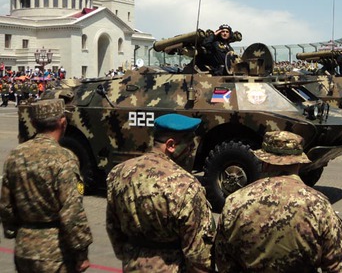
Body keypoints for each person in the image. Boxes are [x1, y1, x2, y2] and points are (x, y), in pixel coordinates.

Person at [215, 130, 342, 273]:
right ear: (299, 163)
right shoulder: (318, 205)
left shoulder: (235, 202)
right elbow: (339, 266)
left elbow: (223, 260)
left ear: (264, 162)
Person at [106, 113, 215, 273]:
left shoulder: (118, 174)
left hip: (132, 265)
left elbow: (113, 228)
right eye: (190, 145)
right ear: (171, 145)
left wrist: (132, 256)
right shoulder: (186, 185)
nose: (192, 151)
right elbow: (198, 254)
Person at [0, 99, 93, 272]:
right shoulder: (64, 158)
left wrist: (13, 231)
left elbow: (6, 205)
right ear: (63, 122)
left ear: (34, 123)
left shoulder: (15, 155)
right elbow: (72, 212)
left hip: (24, 247)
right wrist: (81, 252)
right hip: (55, 252)